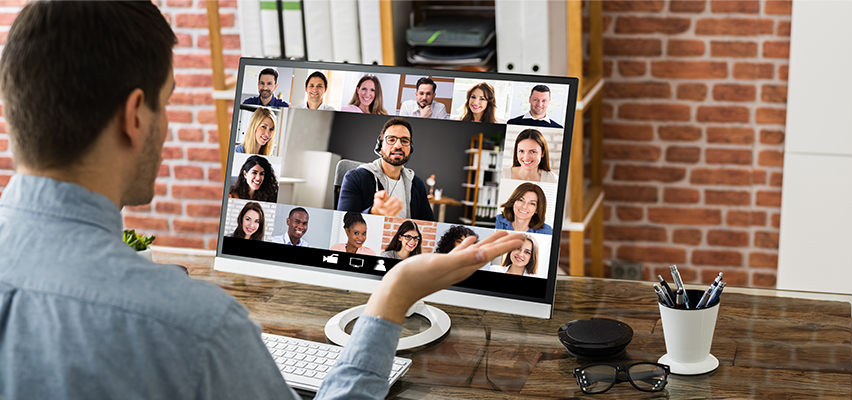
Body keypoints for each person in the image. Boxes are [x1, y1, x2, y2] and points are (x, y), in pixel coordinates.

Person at [0, 2, 524, 399]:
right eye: (167, 101)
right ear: (135, 116)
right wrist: (392, 297)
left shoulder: (415, 185)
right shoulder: (196, 326)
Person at [337, 117, 435, 221]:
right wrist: (373, 213)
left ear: (410, 148)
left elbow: (429, 224)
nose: (398, 145)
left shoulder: (417, 184)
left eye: (405, 141)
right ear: (380, 147)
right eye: (391, 140)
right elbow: (345, 223)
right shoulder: (355, 178)